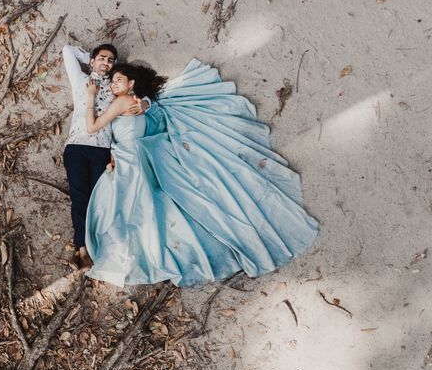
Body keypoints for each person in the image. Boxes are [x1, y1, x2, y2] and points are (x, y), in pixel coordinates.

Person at [81, 60, 319, 286]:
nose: (113, 85)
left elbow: (92, 127)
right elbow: (153, 124)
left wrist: (90, 97)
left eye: (118, 80)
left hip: (132, 158)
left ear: (131, 83)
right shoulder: (139, 102)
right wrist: (144, 108)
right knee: (151, 203)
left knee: (127, 208)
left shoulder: (123, 102)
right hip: (138, 154)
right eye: (112, 81)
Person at [61, 43, 146, 269]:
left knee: (99, 200)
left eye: (110, 60)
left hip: (102, 150)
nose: (106, 63)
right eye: (102, 58)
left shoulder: (115, 85)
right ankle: (81, 248)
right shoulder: (79, 80)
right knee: (80, 197)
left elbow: (138, 95)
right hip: (77, 145)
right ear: (92, 61)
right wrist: (89, 57)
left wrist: (145, 103)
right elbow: (67, 50)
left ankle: (98, 245)